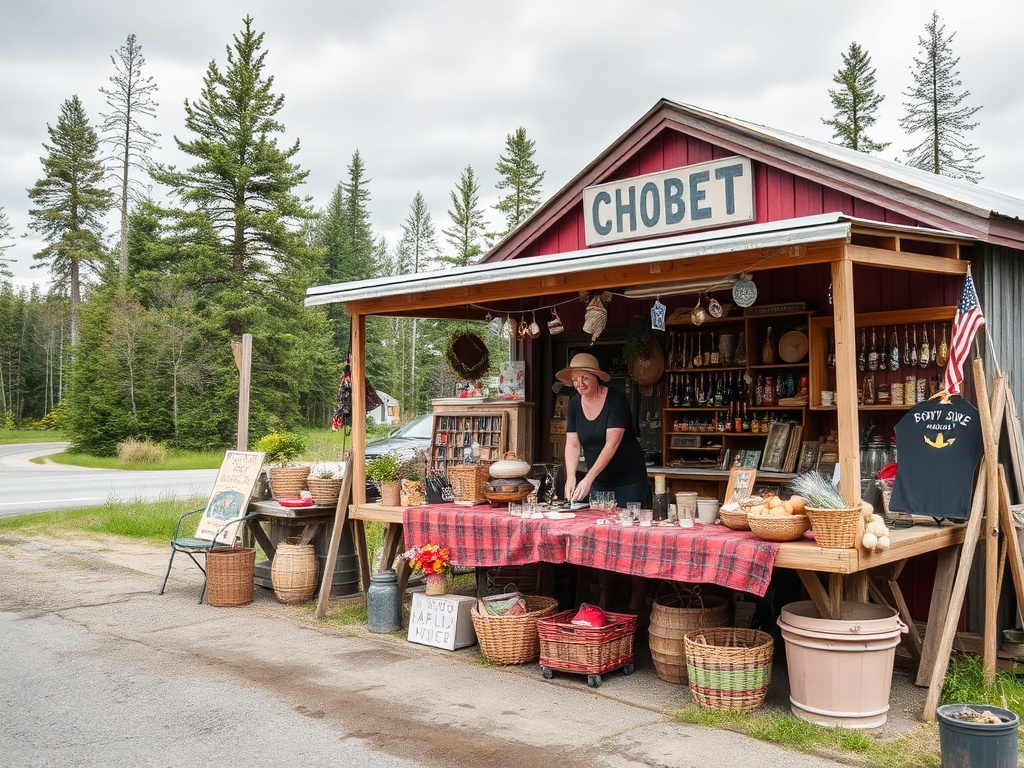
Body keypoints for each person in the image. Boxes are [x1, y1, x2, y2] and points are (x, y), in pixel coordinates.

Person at [556, 353, 651, 507]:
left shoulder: (616, 399)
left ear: (596, 377)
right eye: (575, 380)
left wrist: (588, 478)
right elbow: (572, 445)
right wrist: (571, 476)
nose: (580, 384)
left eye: (585, 378)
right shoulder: (574, 405)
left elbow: (612, 444)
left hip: (628, 481)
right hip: (599, 482)